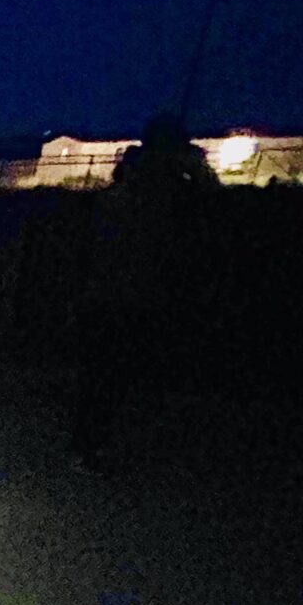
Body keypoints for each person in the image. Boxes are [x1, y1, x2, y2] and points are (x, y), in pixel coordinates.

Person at [69, 113, 217, 471]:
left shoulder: (133, 192)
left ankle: (98, 446)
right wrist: (196, 172)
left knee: (113, 378)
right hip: (123, 298)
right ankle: (95, 446)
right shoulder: (143, 197)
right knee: (109, 377)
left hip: (129, 297)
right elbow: (212, 209)